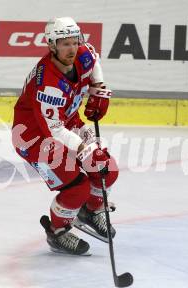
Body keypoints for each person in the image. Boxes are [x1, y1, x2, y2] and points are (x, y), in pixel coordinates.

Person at [11, 17, 119, 255]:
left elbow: (93, 59)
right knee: (77, 188)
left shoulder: (82, 53)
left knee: (107, 169)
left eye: (74, 42)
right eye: (65, 44)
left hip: (67, 123)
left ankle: (90, 212)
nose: (72, 49)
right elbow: (54, 131)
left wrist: (98, 87)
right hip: (35, 139)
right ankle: (57, 231)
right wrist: (86, 149)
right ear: (52, 46)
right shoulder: (48, 83)